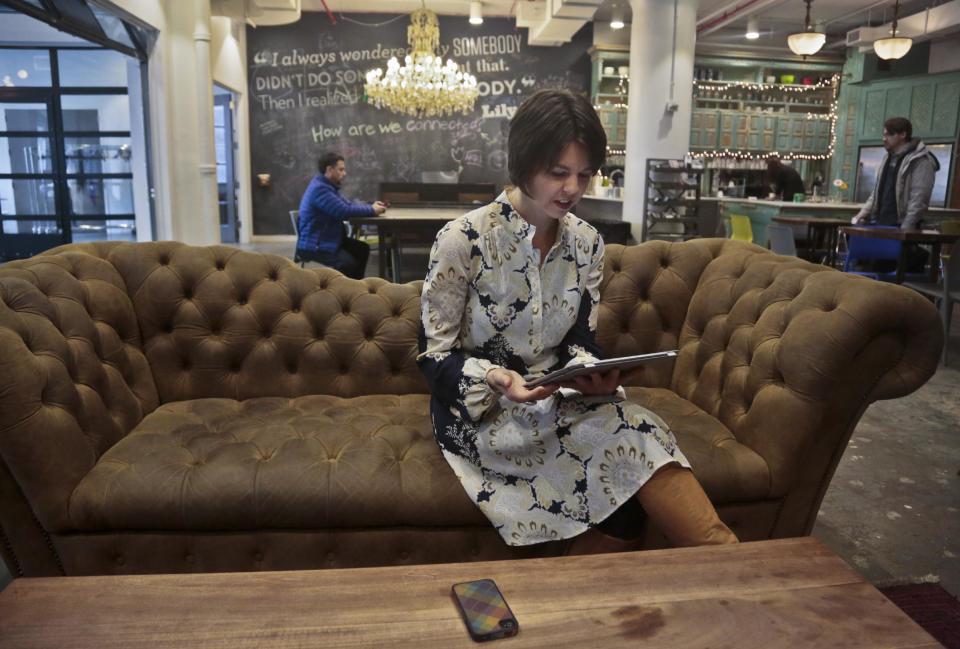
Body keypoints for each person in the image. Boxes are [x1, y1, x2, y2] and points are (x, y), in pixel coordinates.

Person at [416, 88, 737, 551]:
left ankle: (725, 562)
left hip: (556, 400)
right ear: (523, 163)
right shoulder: (462, 240)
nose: (572, 189)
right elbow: (434, 357)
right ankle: (732, 568)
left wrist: (591, 373)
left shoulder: (586, 243)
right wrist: (497, 378)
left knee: (636, 429)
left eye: (584, 175)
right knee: (629, 445)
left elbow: (580, 338)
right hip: (482, 417)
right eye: (558, 173)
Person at [295, 152, 387, 279]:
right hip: (315, 244)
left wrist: (371, 206)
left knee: (363, 249)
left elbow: (348, 204)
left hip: (329, 238)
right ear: (329, 170)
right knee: (348, 264)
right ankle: (344, 294)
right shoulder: (320, 189)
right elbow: (343, 211)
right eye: (341, 169)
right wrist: (371, 210)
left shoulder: (327, 186)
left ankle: (355, 289)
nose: (344, 173)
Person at [853, 117, 939, 230]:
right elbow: (877, 191)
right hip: (882, 221)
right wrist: (862, 214)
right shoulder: (888, 158)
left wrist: (906, 227)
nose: (884, 139)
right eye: (884, 135)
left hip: (902, 225)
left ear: (903, 134)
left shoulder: (920, 160)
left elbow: (919, 197)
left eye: (888, 135)